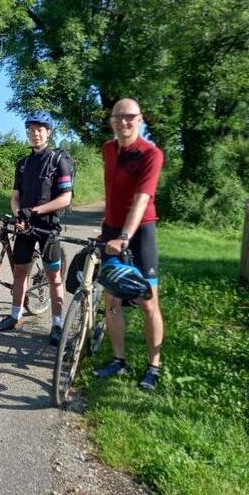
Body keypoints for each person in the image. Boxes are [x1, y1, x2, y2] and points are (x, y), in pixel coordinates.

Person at [92, 98, 165, 391]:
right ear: (111, 120)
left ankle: (154, 366)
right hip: (111, 231)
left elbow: (141, 200)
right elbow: (112, 193)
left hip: (140, 233)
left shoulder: (151, 154)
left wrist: (124, 237)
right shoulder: (108, 149)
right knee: (111, 299)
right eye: (118, 117)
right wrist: (107, 231)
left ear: (140, 119)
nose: (124, 122)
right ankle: (118, 360)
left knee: (148, 302)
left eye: (130, 116)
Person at [0, 112, 73, 346]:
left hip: (48, 229)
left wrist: (35, 211)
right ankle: (15, 316)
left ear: (48, 132)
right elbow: (15, 197)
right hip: (25, 227)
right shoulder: (23, 164)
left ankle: (57, 324)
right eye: (31, 130)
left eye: (40, 130)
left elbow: (65, 198)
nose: (35, 134)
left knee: (53, 276)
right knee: (20, 272)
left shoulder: (59, 161)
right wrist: (19, 213)